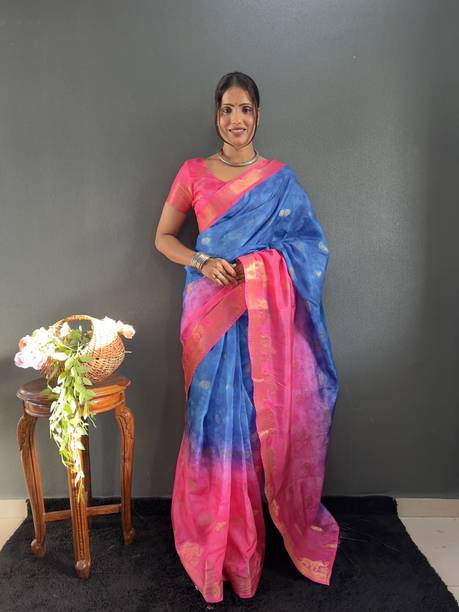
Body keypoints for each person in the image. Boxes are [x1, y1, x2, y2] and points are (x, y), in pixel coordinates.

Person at [154, 71, 340, 604]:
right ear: (216, 115)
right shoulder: (193, 172)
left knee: (256, 427)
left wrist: (258, 269)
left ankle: (248, 542)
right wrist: (202, 260)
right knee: (213, 425)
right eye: (227, 109)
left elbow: (309, 248)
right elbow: (163, 238)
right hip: (208, 316)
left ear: (258, 115)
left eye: (246, 109)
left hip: (263, 321)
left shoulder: (280, 180)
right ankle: (216, 543)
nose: (236, 120)